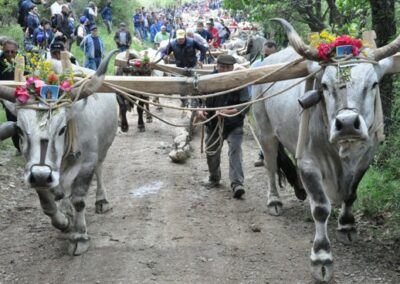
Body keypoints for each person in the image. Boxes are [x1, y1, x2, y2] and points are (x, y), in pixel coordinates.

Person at [197, 54, 250, 199]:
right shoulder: (207, 81)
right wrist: (200, 110)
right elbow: (198, 99)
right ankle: (214, 177)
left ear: (233, 68)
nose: (225, 70)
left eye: (228, 67)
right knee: (211, 151)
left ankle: (237, 184)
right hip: (213, 123)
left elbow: (245, 105)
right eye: (222, 67)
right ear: (217, 66)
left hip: (234, 123)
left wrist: (230, 112)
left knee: (235, 151)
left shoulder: (240, 81)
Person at [253, 40, 277, 167]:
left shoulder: (283, 64)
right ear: (262, 53)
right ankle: (262, 154)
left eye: (271, 55)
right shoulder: (256, 65)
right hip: (261, 102)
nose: (268, 58)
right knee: (264, 131)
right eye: (266, 55)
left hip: (278, 102)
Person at [0, 39, 21, 152]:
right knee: (12, 118)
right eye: (7, 51)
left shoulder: (23, 59)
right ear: (3, 50)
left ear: (17, 51)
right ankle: (18, 146)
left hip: (22, 96)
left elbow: (30, 74)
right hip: (6, 96)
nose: (10, 54)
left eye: (12, 52)